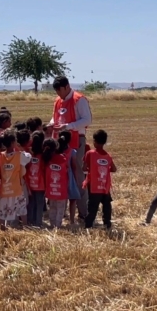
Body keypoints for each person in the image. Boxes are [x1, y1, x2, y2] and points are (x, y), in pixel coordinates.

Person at [49, 75, 92, 222]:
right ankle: (62, 211)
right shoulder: (57, 101)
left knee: (78, 175)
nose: (58, 94)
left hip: (76, 141)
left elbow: (87, 120)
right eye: (56, 91)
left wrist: (68, 127)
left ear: (67, 87)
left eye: (60, 90)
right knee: (60, 176)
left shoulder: (79, 100)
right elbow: (55, 118)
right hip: (60, 144)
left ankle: (83, 212)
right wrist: (51, 125)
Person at [0, 130, 31, 230]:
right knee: (22, 208)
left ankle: (2, 228)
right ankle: (25, 227)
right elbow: (29, 157)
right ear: (12, 143)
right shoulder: (19, 155)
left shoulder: (1, 156)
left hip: (4, 188)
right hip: (16, 188)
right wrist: (19, 148)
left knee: (2, 209)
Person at [82, 130, 117, 230]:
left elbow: (84, 168)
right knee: (106, 205)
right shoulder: (108, 156)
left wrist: (92, 169)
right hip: (105, 186)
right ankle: (107, 223)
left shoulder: (90, 154)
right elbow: (114, 169)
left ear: (94, 141)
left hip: (93, 186)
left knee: (92, 207)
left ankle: (88, 225)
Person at [42, 138, 68, 228]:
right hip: (61, 189)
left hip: (50, 188)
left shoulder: (47, 159)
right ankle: (58, 225)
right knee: (60, 208)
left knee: (52, 207)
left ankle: (52, 224)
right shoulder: (63, 158)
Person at [59, 131, 81, 227]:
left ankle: (60, 217)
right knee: (72, 199)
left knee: (61, 199)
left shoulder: (57, 151)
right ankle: (72, 220)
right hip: (70, 177)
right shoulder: (72, 152)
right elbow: (74, 167)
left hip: (60, 177)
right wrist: (76, 181)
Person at [26, 131, 46, 227]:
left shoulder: (28, 153)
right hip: (40, 184)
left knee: (31, 204)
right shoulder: (44, 155)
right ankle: (38, 223)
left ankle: (30, 222)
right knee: (39, 204)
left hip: (30, 182)